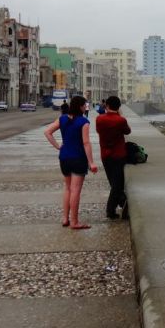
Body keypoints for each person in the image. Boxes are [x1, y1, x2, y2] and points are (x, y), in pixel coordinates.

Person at [44, 94, 98, 229]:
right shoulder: (84, 122)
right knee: (75, 191)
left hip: (64, 158)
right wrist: (91, 162)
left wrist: (58, 146)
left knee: (67, 189)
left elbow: (47, 132)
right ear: (80, 106)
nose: (86, 107)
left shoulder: (62, 119)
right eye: (84, 105)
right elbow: (86, 143)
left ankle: (65, 219)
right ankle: (74, 222)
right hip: (78, 159)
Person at [95, 95, 131, 220]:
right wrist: (120, 116)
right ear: (119, 106)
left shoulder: (99, 119)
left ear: (107, 105)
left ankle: (122, 203)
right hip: (118, 154)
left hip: (105, 155)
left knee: (113, 182)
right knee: (118, 184)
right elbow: (127, 131)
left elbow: (99, 131)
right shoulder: (121, 120)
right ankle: (112, 209)